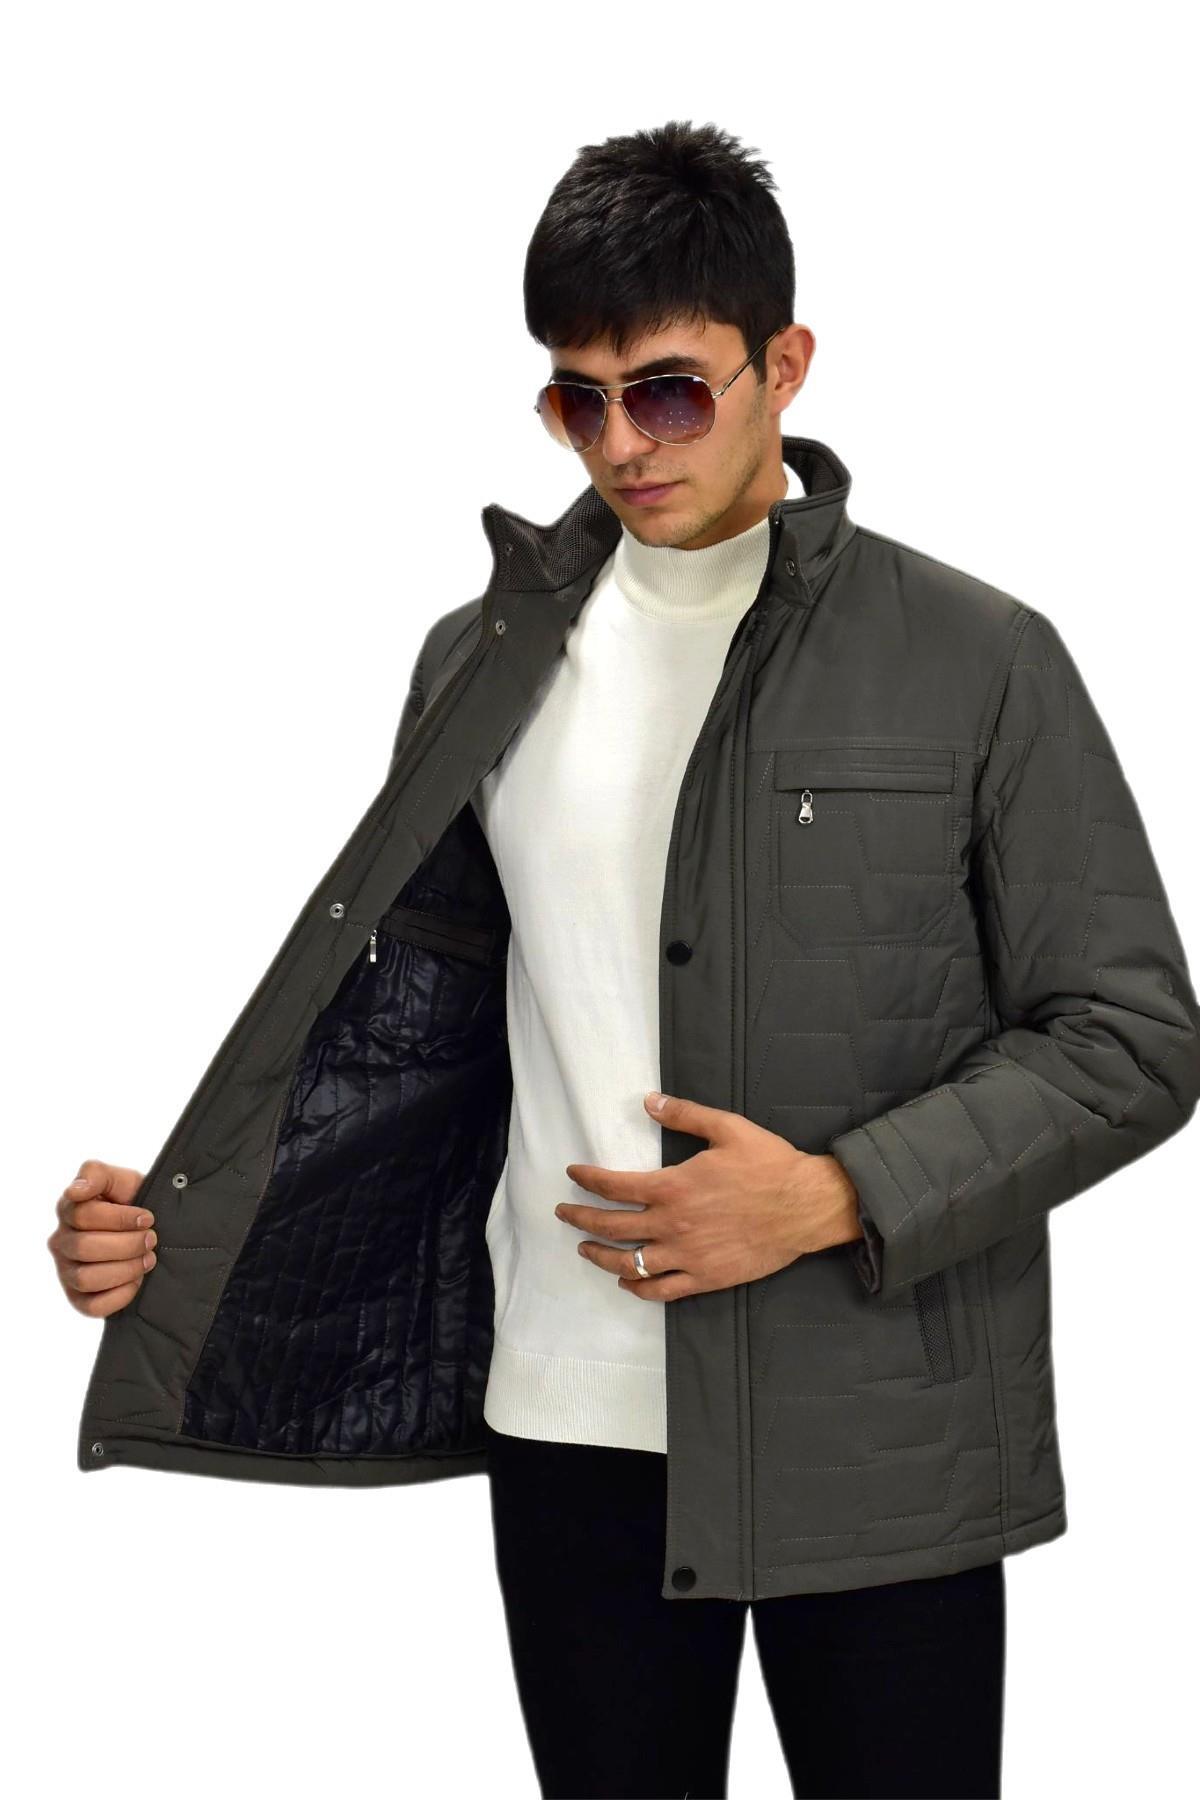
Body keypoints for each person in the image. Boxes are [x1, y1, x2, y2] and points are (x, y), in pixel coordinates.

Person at [48, 120, 1200, 1800]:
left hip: (876, 1435)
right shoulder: (476, 663)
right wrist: (183, 1229)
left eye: (663, 393)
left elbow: (1131, 1034)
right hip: (568, 1426)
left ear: (783, 366)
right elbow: (421, 1043)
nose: (618, 445)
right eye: (574, 402)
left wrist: (835, 1195)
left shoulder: (977, 658)